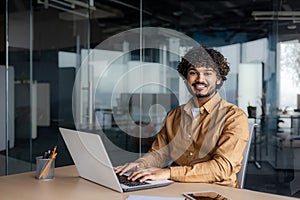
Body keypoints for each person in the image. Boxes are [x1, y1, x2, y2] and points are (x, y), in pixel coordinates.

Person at [115, 45, 249, 188]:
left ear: (219, 79)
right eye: (193, 73)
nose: (200, 79)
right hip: (176, 189)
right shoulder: (174, 116)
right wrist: (140, 164)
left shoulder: (234, 117)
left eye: (208, 73)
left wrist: (168, 173)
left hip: (215, 193)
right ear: (186, 79)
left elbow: (222, 168)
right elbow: (159, 153)